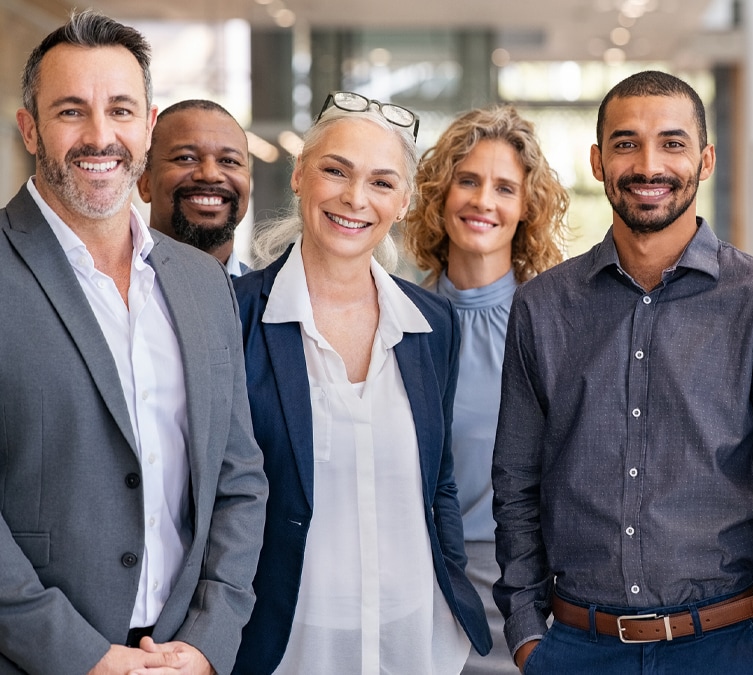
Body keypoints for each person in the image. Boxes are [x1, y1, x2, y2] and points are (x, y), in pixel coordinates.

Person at [492, 70, 753, 675]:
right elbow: (517, 483)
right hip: (574, 649)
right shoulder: (542, 307)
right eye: (626, 143)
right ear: (598, 161)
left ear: (705, 160)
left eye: (672, 144)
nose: (649, 165)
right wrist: (526, 632)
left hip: (725, 649)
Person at [0, 10, 268, 675]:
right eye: (71, 111)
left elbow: (238, 479)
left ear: (147, 126)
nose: (100, 136)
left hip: (179, 657)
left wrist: (208, 638)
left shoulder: (202, 282)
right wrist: (80, 656)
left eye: (121, 110)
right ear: (29, 126)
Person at [231, 91, 489, 675]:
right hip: (285, 641)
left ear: (403, 202)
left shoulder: (430, 324)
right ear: (299, 175)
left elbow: (438, 480)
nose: (355, 198)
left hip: (413, 635)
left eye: (380, 182)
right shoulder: (236, 316)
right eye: (335, 171)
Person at [404, 105, 568, 675]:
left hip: (531, 592)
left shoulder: (556, 323)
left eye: (504, 188)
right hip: (419, 586)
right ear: (439, 194)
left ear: (526, 209)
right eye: (467, 181)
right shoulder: (396, 318)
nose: (482, 201)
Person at [138, 99, 253, 276]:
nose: (210, 174)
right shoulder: (110, 294)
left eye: (229, 161)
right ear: (144, 183)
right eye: (186, 158)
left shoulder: (273, 300)